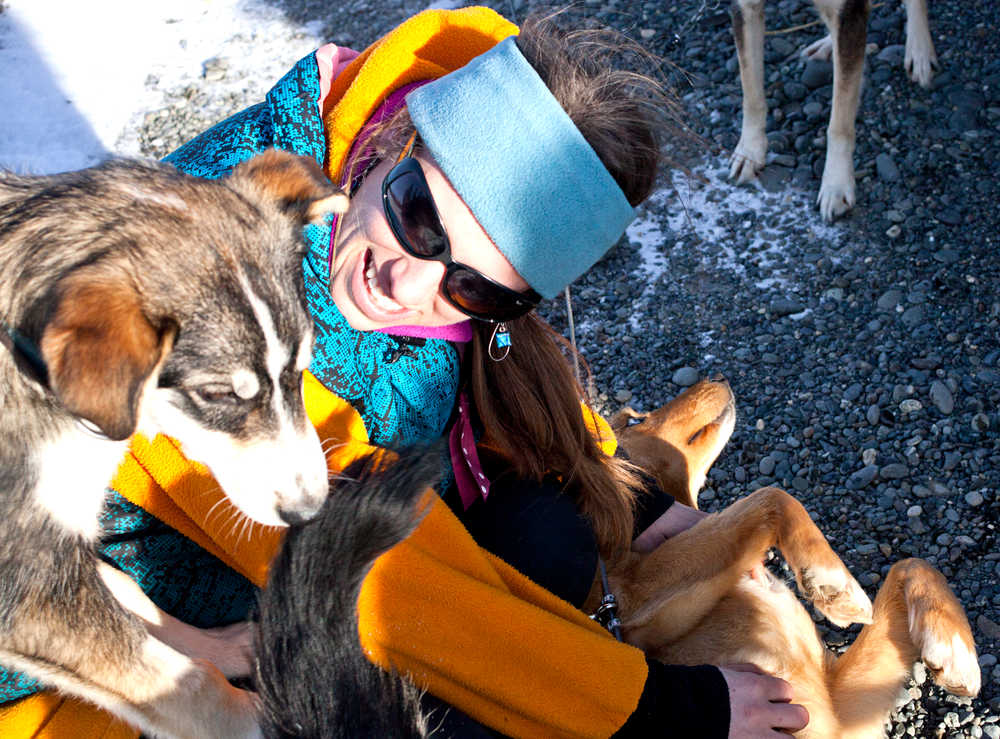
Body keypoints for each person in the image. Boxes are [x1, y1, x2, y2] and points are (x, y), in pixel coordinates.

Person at [0, 7, 809, 738]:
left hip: (283, 575)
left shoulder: (384, 170)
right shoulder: (216, 286)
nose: (406, 287)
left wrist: (627, 495)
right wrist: (659, 709)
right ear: (394, 141)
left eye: (473, 288)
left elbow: (511, 364)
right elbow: (390, 590)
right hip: (130, 632)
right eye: (418, 219)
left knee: (552, 534)